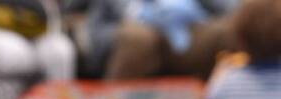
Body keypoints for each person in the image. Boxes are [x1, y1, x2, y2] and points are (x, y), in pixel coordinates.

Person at [83, 0, 237, 79]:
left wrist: (194, 12)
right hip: (126, 28)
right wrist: (144, 13)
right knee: (139, 39)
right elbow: (124, 9)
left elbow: (231, 8)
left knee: (224, 33)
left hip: (182, 31)